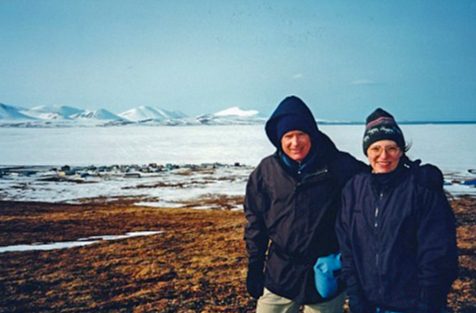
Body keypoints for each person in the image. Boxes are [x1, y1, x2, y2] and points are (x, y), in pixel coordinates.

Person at [244, 96, 367, 313]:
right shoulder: (266, 171)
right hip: (281, 270)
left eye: (301, 134)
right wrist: (255, 264)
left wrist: (414, 176)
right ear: (278, 139)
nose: (295, 142)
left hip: (325, 272)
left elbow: (378, 180)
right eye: (288, 136)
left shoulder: (339, 166)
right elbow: (256, 220)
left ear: (312, 134)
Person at [336, 108, 458, 313]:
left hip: (413, 305)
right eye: (376, 149)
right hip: (368, 303)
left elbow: (438, 253)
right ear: (366, 152)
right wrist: (356, 297)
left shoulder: (421, 188)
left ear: (401, 151)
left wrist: (427, 302)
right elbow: (348, 248)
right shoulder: (355, 189)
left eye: (391, 148)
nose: (384, 156)